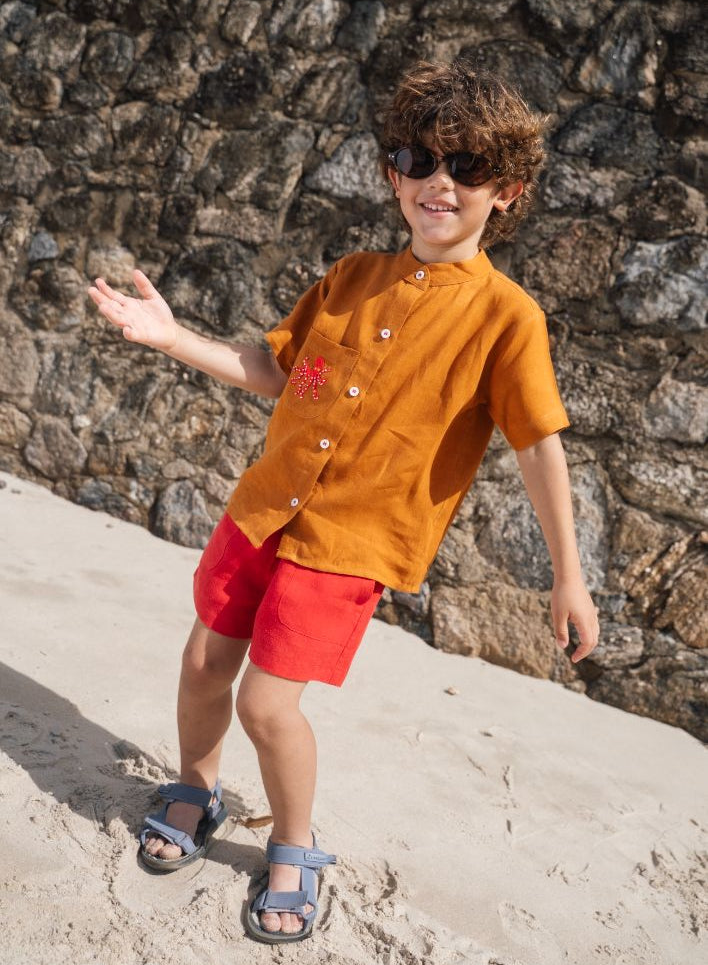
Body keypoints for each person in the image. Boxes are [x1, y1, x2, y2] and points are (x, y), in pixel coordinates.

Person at [87, 59, 600, 944]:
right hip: (261, 510)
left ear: (507, 191)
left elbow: (538, 442)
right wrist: (172, 338)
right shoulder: (351, 274)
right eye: (419, 160)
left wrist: (569, 575)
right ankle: (196, 788)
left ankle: (293, 842)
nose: (440, 183)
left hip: (351, 544)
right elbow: (273, 372)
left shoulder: (508, 319)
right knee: (206, 663)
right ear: (392, 172)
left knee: (267, 705)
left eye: (468, 168)